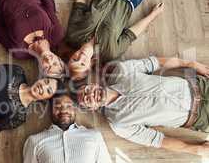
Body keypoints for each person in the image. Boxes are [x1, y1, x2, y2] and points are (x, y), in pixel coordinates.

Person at [76, 56, 209, 156]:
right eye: (87, 99)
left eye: (87, 90)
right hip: (201, 116)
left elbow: (156, 62)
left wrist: (191, 64)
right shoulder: (119, 124)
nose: (91, 95)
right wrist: (196, 149)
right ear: (92, 109)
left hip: (201, 86)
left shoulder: (122, 70)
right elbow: (158, 140)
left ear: (93, 84)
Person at [66, 0, 164, 81]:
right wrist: (153, 14)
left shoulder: (73, 35)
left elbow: (79, 7)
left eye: (75, 59)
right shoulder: (110, 52)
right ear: (89, 66)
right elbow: (131, 34)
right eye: (82, 63)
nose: (81, 57)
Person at [21, 94, 117, 163]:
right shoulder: (34, 141)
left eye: (68, 106)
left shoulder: (94, 137)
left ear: (75, 110)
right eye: (57, 106)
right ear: (50, 111)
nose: (63, 110)